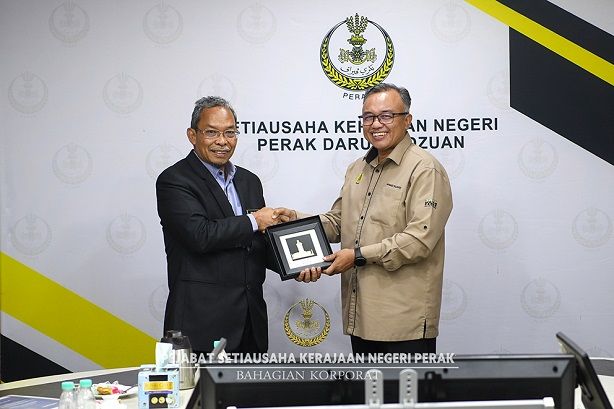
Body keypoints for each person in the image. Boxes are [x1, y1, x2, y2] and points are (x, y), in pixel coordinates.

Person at [280, 83, 453, 354]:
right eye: (368, 117)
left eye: (387, 116)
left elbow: (419, 241)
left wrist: (357, 256)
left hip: (403, 323)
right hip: (360, 319)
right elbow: (338, 222)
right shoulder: (357, 169)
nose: (376, 124)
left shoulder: (425, 169)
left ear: (407, 120)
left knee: (405, 385)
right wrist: (293, 220)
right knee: (368, 384)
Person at [156, 96, 298, 355]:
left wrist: (296, 265)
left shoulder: (249, 181)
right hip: (200, 326)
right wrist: (255, 220)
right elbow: (200, 235)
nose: (222, 141)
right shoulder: (174, 180)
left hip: (250, 325)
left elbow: (255, 244)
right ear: (192, 135)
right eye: (212, 132)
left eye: (230, 132)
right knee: (199, 386)